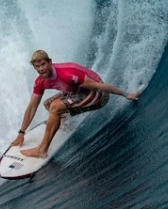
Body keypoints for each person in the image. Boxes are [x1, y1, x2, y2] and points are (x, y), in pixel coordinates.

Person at [12, 49, 140, 159]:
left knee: (55, 107)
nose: (41, 69)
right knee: (48, 104)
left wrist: (125, 94)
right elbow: (32, 106)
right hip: (76, 92)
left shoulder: (68, 74)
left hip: (97, 95)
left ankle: (42, 150)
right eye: (37, 66)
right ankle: (66, 124)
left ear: (50, 62)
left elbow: (100, 86)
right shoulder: (40, 81)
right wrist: (21, 133)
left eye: (43, 64)